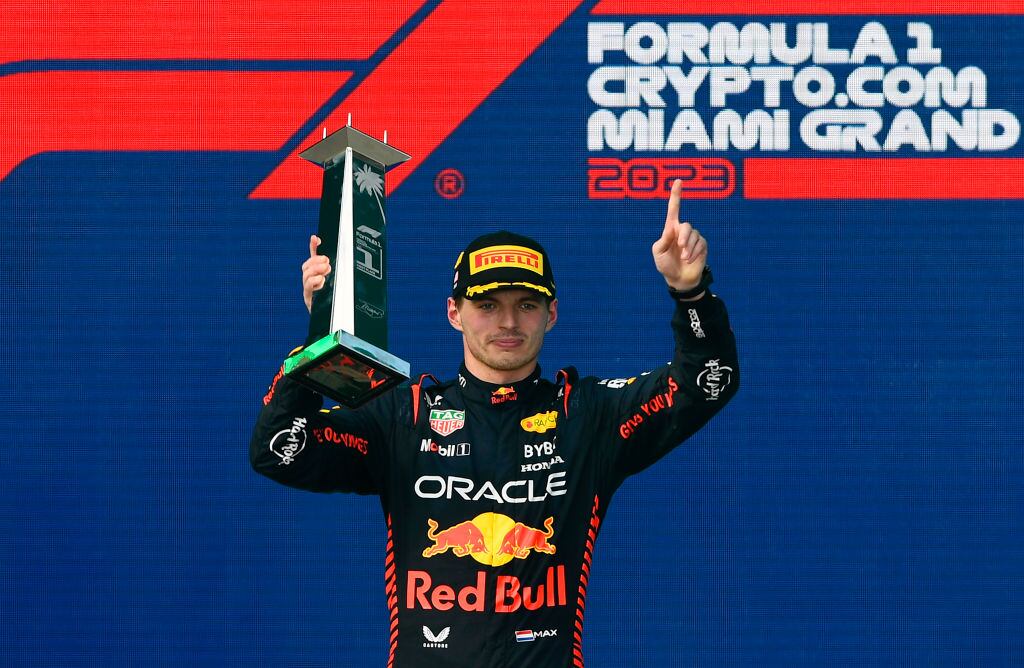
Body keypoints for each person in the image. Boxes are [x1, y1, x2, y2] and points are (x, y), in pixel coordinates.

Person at [251, 180, 739, 667]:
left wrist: (690, 292)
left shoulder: (586, 416)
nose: (507, 322)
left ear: (551, 315)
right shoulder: (405, 415)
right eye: (487, 305)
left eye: (525, 305)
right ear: (454, 314)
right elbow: (278, 451)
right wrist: (318, 341)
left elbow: (707, 381)